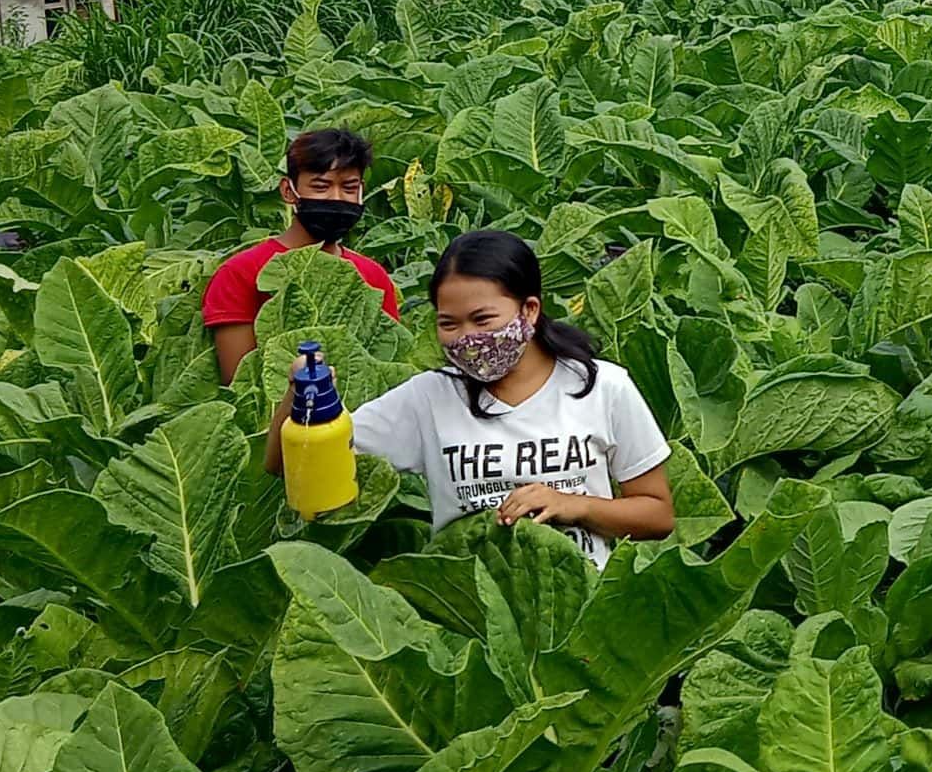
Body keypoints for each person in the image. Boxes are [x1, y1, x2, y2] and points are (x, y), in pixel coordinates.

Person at [269, 227, 674, 559]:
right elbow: (293, 465)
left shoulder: (603, 387)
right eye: (449, 323)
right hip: (468, 616)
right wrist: (301, 395)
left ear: (529, 310)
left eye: (483, 319)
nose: (468, 338)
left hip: (579, 608)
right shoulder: (428, 397)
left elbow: (657, 516)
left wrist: (577, 506)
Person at [206, 127, 402, 385]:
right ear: (288, 191)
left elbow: (387, 370)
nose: (336, 198)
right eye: (321, 187)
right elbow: (240, 383)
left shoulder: (373, 276)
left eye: (349, 188)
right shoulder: (240, 272)